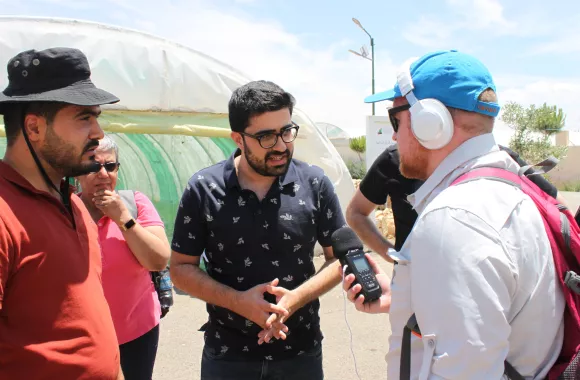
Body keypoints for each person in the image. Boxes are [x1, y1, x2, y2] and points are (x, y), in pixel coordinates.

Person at [342, 50, 565, 379]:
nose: (393, 135)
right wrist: (411, 296)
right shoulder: (512, 188)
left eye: (396, 120)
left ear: (429, 122)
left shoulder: (456, 218)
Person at [170, 80, 346, 380]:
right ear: (238, 138)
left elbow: (338, 259)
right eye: (265, 136)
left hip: (300, 352)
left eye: (286, 132)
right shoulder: (204, 188)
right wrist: (238, 303)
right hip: (228, 356)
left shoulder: (314, 184)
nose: (280, 146)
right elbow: (181, 268)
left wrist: (294, 299)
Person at [0, 48, 124, 379]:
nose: (98, 133)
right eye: (85, 117)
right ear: (34, 128)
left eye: (97, 117)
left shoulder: (73, 202)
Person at [347, 143, 561, 260]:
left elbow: (557, 210)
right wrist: (393, 256)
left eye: (397, 120)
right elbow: (356, 213)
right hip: (414, 293)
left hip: (489, 292)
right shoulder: (395, 158)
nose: (395, 133)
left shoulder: (499, 159)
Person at [76, 135, 171, 380]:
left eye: (110, 166)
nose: (103, 174)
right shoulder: (63, 209)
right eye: (93, 166)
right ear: (76, 172)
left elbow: (159, 260)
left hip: (136, 331)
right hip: (83, 336)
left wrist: (123, 218)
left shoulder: (135, 203)